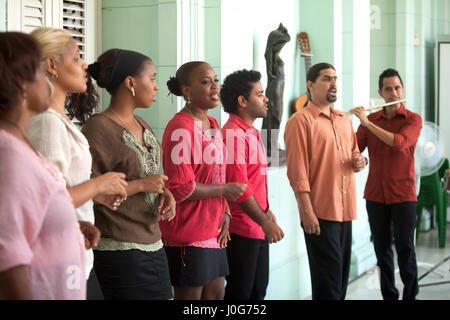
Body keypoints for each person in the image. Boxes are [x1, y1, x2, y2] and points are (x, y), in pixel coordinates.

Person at [29, 27, 128, 300]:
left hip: (76, 255)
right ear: (52, 66)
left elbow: (62, 189)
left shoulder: (59, 119)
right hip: (58, 260)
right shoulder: (47, 121)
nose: (85, 64)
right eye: (75, 58)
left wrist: (96, 194)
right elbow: (46, 202)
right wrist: (98, 184)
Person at [81, 48, 175, 300]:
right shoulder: (97, 128)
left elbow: (152, 174)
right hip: (120, 251)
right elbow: (86, 191)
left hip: (153, 242)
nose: (156, 86)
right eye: (152, 78)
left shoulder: (142, 124)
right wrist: (142, 185)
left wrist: (165, 192)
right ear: (131, 82)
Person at [0, 31, 86, 299]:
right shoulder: (9, 157)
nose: (45, 79)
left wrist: (67, 229)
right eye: (39, 71)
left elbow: (29, 217)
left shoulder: (19, 145)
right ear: (21, 83)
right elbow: (9, 261)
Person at [162, 61, 247, 300]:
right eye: (205, 82)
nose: (215, 87)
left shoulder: (212, 124)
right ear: (186, 90)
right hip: (189, 231)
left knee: (216, 295)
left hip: (213, 228)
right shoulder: (180, 126)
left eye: (215, 80)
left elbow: (215, 174)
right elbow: (180, 187)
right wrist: (225, 190)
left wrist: (226, 211)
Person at [284, 63, 366, 300]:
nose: (334, 84)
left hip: (345, 211)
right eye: (327, 79)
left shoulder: (343, 119)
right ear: (310, 85)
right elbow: (297, 173)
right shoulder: (300, 121)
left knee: (340, 282)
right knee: (327, 286)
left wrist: (360, 161)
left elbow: (354, 154)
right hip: (319, 213)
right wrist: (306, 212)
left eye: (336, 79)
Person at [350, 68, 422, 300]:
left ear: (403, 89)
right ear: (380, 92)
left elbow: (399, 143)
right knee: (382, 253)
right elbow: (354, 148)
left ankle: (410, 295)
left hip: (404, 194)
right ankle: (389, 296)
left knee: (405, 249)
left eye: (397, 88)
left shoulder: (413, 119)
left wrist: (367, 124)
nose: (393, 93)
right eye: (388, 89)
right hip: (375, 195)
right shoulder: (369, 119)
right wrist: (359, 158)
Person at [220, 69, 284, 300]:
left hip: (257, 225)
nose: (266, 98)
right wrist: (265, 221)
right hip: (241, 230)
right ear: (242, 101)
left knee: (257, 291)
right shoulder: (233, 135)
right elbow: (239, 189)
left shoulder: (249, 132)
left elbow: (253, 182)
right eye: (260, 94)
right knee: (240, 294)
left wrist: (267, 212)